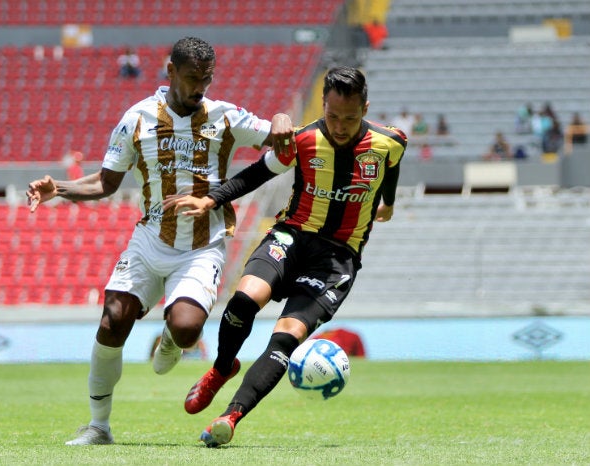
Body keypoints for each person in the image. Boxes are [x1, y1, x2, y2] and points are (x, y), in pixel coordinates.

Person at [25, 36, 294, 446]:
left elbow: (277, 138)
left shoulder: (225, 117)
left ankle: (172, 335)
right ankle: (99, 425)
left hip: (202, 247)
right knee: (113, 319)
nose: (198, 87)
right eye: (190, 78)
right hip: (150, 240)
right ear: (170, 72)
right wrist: (59, 188)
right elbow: (105, 182)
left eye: (205, 78)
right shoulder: (137, 118)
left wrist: (280, 117)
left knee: (187, 330)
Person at [165, 66, 406, 447]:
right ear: (322, 105)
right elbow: (257, 174)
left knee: (285, 338)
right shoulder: (304, 139)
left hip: (337, 259)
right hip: (291, 235)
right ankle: (222, 368)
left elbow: (389, 177)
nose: (340, 127)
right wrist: (211, 199)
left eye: (351, 118)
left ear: (366, 108)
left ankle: (231, 416)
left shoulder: (390, 142)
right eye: (332, 116)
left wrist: (387, 205)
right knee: (244, 300)